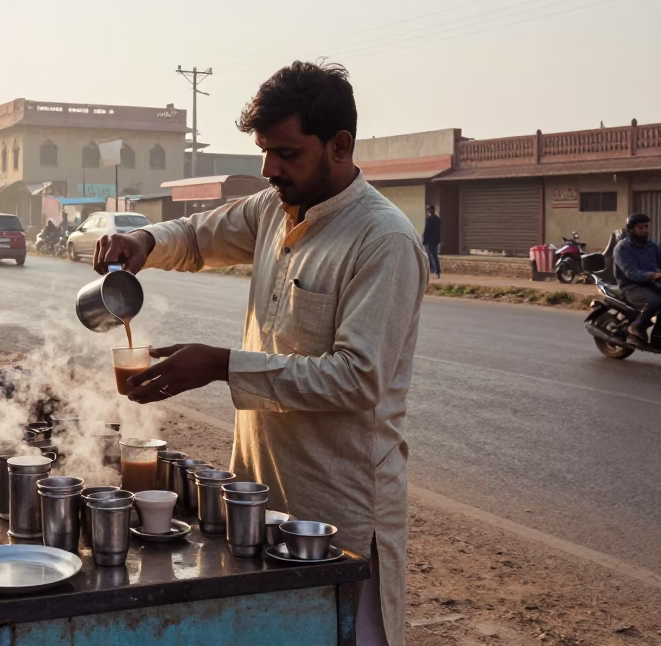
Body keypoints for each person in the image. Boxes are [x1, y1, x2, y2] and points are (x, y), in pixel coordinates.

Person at [95, 61, 426, 646]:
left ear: (340, 146)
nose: (269, 169)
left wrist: (222, 364)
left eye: (286, 153)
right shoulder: (276, 208)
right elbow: (199, 235)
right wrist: (144, 239)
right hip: (259, 491)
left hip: (340, 505)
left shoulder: (384, 241)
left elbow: (356, 379)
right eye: (264, 152)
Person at [613, 212, 661, 346]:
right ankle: (636, 327)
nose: (645, 230)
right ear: (630, 230)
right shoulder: (622, 248)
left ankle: (658, 336)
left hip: (652, 284)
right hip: (631, 286)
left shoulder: (651, 246)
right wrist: (653, 274)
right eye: (641, 228)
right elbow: (631, 273)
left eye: (646, 227)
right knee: (655, 302)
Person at [422, 204, 441, 279]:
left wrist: (425, 240)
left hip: (430, 240)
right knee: (433, 255)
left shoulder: (429, 219)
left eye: (429, 210)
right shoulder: (437, 219)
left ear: (432, 210)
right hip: (435, 240)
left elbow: (427, 230)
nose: (429, 211)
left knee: (430, 255)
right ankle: (436, 271)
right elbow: (438, 231)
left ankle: (433, 270)